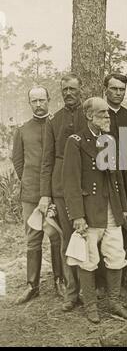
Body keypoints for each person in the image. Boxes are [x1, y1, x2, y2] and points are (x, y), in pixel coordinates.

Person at [62, 97, 127, 323]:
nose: (107, 117)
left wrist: (123, 206)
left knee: (116, 255)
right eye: (102, 113)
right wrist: (77, 216)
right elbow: (70, 182)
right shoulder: (75, 141)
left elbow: (117, 177)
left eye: (108, 113)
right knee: (88, 259)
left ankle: (114, 302)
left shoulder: (109, 140)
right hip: (89, 210)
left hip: (112, 210)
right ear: (89, 116)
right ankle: (91, 305)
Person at [39, 73, 87, 312]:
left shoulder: (89, 115)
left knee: (89, 236)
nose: (68, 93)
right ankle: (71, 292)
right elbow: (47, 161)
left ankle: (90, 290)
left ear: (80, 90)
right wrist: (45, 194)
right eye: (65, 89)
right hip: (60, 188)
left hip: (87, 186)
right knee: (67, 239)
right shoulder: (53, 121)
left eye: (72, 89)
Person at [12, 86, 64, 304]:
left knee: (55, 236)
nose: (39, 104)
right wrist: (31, 183)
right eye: (34, 101)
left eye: (42, 100)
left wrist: (50, 190)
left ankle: (60, 281)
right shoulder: (22, 130)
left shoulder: (56, 126)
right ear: (29, 103)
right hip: (31, 194)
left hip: (54, 192)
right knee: (33, 238)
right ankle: (32, 285)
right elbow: (18, 161)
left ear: (49, 100)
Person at [104, 73, 127, 226]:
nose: (118, 93)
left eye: (122, 89)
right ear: (105, 90)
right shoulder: (100, 114)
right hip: (105, 174)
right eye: (114, 89)